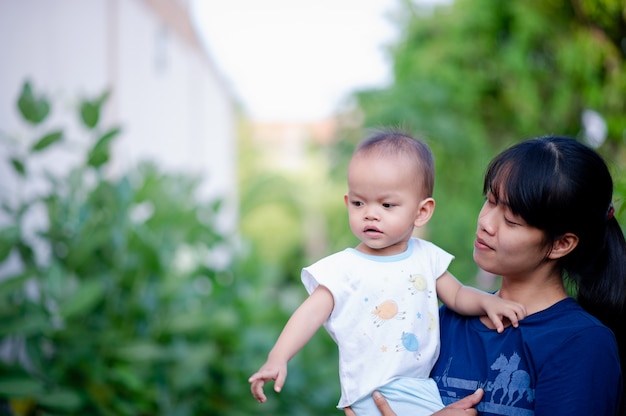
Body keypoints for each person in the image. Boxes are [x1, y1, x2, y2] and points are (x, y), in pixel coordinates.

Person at [249, 130, 527, 415]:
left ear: (421, 212)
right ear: (347, 203)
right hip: (372, 391)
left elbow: (456, 294)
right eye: (359, 203)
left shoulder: (426, 256)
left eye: (386, 205)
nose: (370, 213)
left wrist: (488, 301)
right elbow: (309, 313)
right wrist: (277, 358)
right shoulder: (343, 268)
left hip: (420, 386)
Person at [347, 135, 626, 415]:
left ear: (561, 244)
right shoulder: (443, 322)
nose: (485, 223)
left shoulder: (581, 345)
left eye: (511, 220)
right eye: (491, 201)